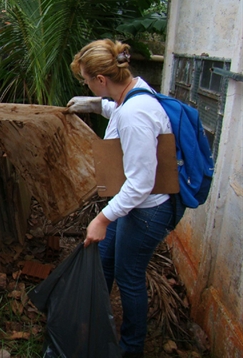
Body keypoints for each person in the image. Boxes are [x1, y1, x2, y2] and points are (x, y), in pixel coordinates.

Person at [67, 39, 184, 358]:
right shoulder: (133, 91)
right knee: (105, 259)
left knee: (129, 277)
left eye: (88, 81)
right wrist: (93, 105)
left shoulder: (135, 114)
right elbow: (116, 107)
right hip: (134, 205)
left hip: (147, 211)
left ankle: (131, 348)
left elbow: (141, 183)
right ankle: (94, 326)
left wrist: (102, 218)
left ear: (101, 80)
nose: (88, 86)